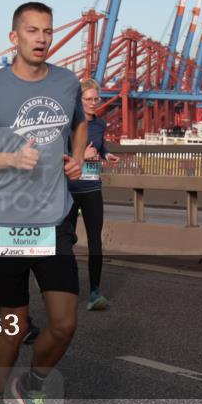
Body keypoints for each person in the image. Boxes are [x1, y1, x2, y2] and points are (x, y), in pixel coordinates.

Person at [0, 2, 86, 404]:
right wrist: (9, 160)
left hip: (55, 218)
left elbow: (80, 122)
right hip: (5, 220)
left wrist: (78, 155)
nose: (42, 39)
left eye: (47, 31)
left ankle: (32, 385)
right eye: (32, 31)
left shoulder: (67, 83)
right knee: (12, 329)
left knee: (64, 324)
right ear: (14, 38)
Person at [65, 78, 120, 311]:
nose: (92, 103)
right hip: (69, 186)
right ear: (79, 100)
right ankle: (58, 283)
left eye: (95, 99)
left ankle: (95, 292)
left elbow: (101, 145)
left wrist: (106, 155)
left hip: (92, 185)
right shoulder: (68, 123)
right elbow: (60, 152)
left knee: (95, 240)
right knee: (66, 240)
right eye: (87, 99)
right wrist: (81, 157)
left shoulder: (99, 124)